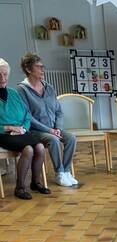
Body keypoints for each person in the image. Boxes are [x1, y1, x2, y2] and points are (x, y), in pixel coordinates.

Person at [17, 53, 78, 187]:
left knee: (71, 138)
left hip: (54, 129)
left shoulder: (49, 88)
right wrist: (49, 130)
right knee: (54, 140)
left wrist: (58, 128)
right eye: (38, 67)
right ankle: (59, 173)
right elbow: (28, 117)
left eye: (43, 66)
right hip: (35, 131)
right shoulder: (22, 90)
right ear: (28, 69)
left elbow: (59, 112)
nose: (42, 69)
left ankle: (66, 171)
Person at [0, 58, 50, 199]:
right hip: (4, 134)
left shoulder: (13, 93)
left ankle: (35, 182)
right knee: (28, 149)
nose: (2, 78)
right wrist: (8, 128)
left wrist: (22, 128)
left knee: (40, 147)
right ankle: (20, 187)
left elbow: (27, 115)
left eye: (5, 74)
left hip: (21, 132)